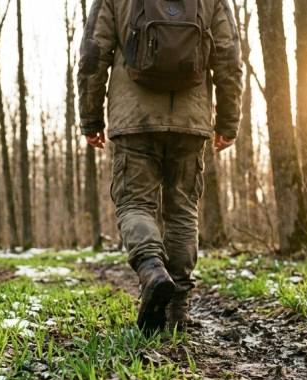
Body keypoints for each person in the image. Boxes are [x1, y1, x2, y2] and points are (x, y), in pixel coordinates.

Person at [78, 0, 243, 334]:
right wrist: (228, 121)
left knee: (135, 203)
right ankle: (177, 311)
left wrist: (90, 117)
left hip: (134, 118)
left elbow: (94, 54)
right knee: (182, 210)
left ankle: (152, 269)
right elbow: (228, 57)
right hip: (191, 120)